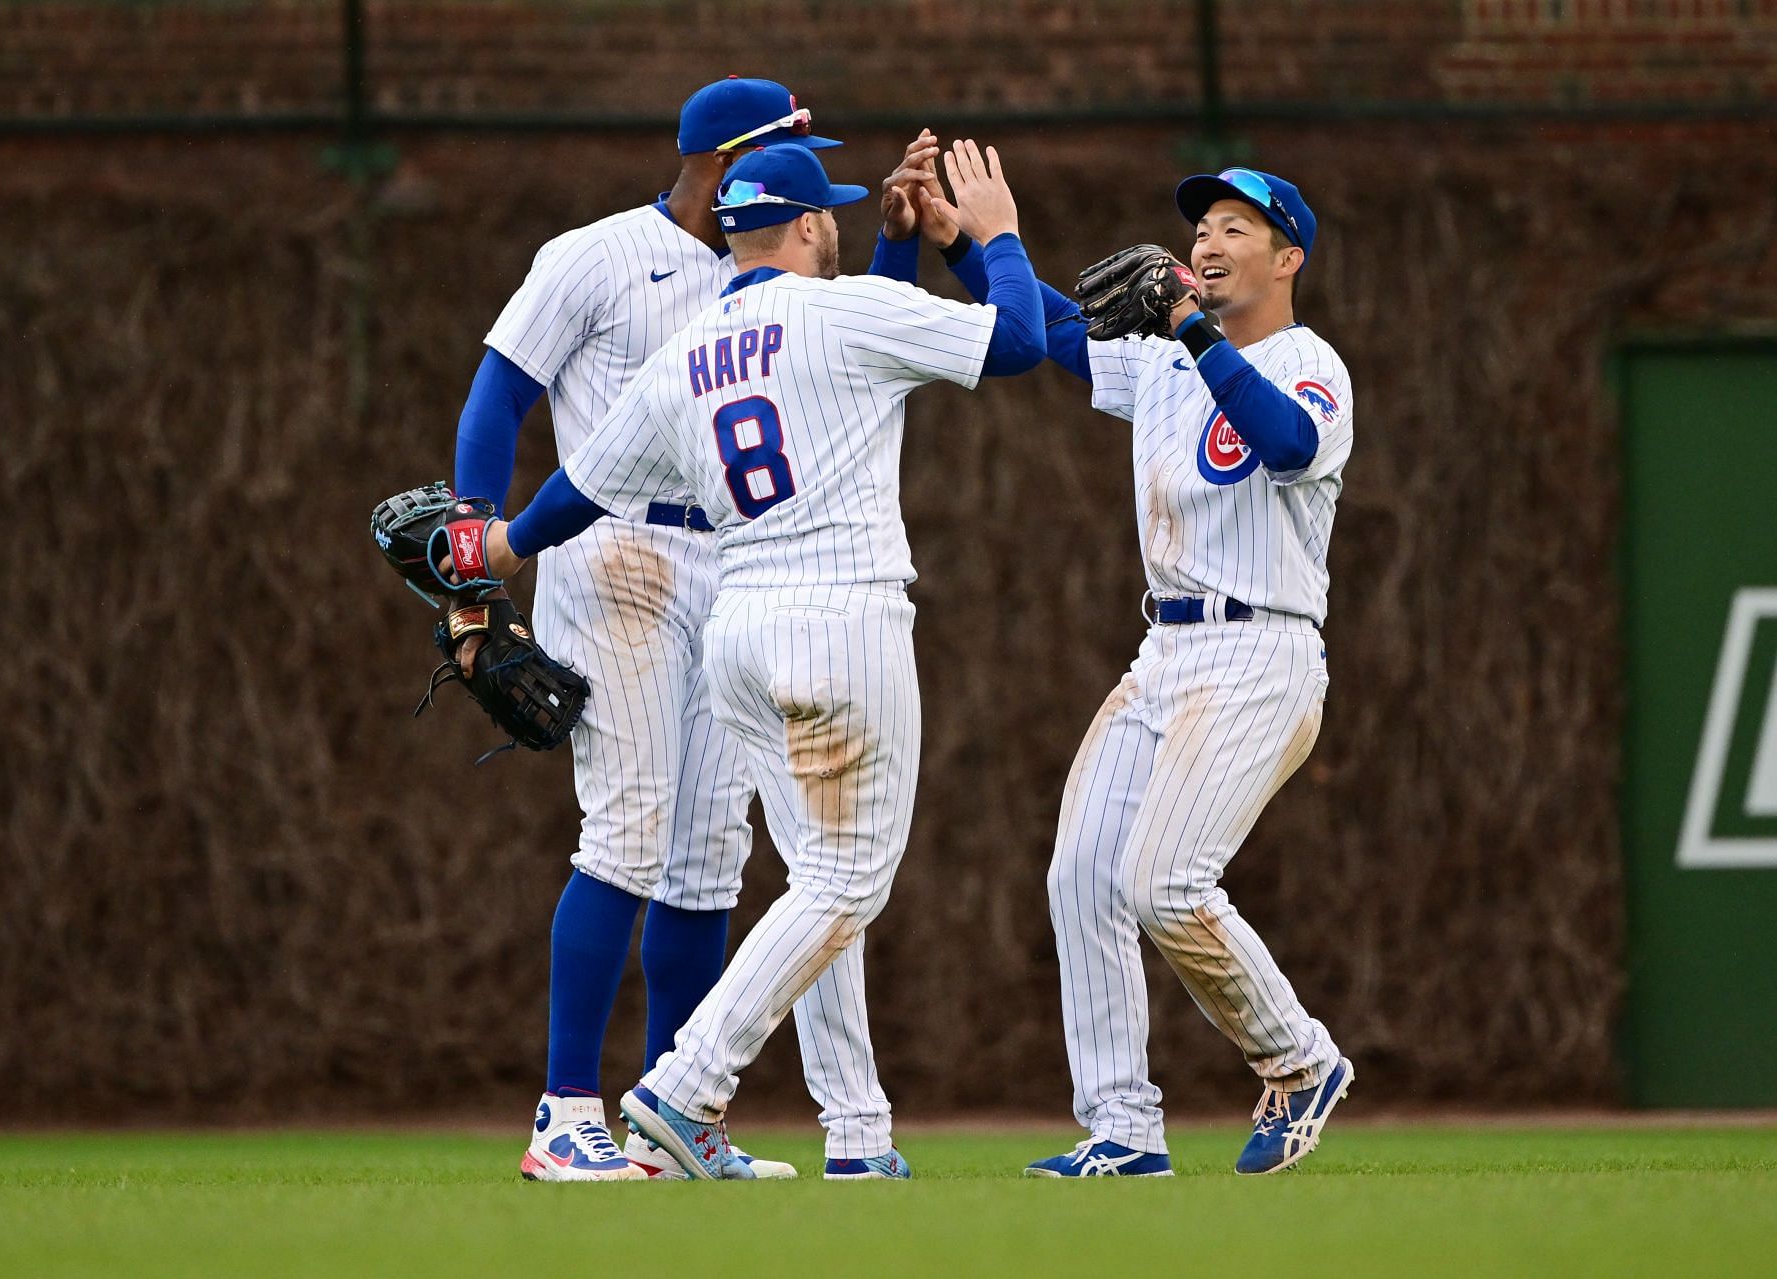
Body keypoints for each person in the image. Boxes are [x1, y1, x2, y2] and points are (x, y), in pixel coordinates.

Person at [467, 139, 1047, 1178]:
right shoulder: (841, 312)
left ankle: (856, 1135)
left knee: (811, 881)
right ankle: (683, 1088)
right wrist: (996, 237)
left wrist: (496, 551)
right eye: (833, 214)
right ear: (816, 227)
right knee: (844, 880)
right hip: (843, 623)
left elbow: (580, 488)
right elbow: (1016, 343)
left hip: (737, 628)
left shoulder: (691, 346)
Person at [893, 162, 1355, 1177]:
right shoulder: (1164, 363)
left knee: (1167, 883)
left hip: (1260, 650)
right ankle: (1122, 1127)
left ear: (1288, 258)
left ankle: (1299, 1057)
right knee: (1084, 877)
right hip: (1166, 652)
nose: (1210, 240)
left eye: (1239, 227)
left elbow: (1282, 442)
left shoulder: (1308, 359)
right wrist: (971, 244)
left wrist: (1190, 328)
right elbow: (1057, 331)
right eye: (1202, 226)